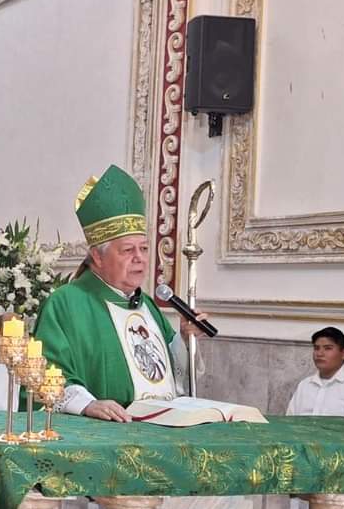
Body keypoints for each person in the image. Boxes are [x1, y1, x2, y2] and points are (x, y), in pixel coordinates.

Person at [34, 165, 211, 422]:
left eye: (144, 248)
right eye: (128, 250)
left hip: (162, 429)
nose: (140, 259)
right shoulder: (66, 304)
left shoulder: (146, 305)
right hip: (105, 435)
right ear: (97, 255)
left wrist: (185, 339)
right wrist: (87, 404)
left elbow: (175, 375)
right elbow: (43, 374)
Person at [286, 327, 344, 419]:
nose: (319, 354)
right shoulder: (304, 385)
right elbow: (290, 421)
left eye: (327, 348)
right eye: (316, 348)